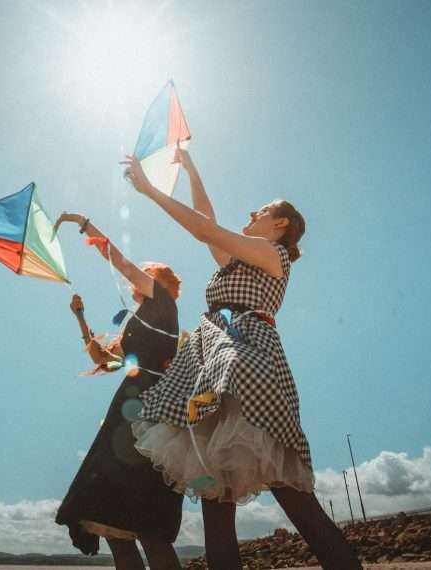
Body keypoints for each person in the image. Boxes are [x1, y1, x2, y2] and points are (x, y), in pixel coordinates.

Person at [122, 149, 363, 570]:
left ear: (281, 224)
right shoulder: (239, 261)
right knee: (217, 500)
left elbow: (202, 231)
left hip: (244, 356)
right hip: (214, 358)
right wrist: (193, 169)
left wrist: (150, 191)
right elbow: (208, 220)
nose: (252, 213)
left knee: (294, 500)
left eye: (262, 210)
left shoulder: (273, 255)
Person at [53, 212, 184, 570]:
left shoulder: (165, 305)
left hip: (152, 410)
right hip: (123, 411)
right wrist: (80, 317)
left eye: (149, 272)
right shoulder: (136, 321)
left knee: (147, 522)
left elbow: (118, 259)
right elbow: (106, 360)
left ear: (164, 283)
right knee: (110, 518)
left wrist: (84, 223)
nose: (138, 275)